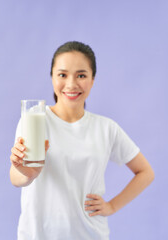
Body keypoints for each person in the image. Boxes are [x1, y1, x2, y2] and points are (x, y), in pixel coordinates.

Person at [10, 41, 155, 240]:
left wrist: (112, 206)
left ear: (93, 79)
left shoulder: (106, 128)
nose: (71, 84)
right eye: (62, 74)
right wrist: (27, 174)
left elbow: (146, 172)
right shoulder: (35, 119)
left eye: (81, 75)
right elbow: (15, 177)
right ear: (52, 77)